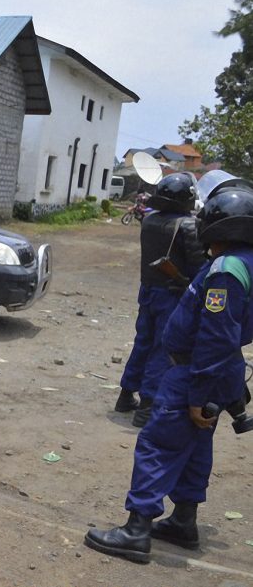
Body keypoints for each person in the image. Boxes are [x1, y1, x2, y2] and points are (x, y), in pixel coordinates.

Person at [85, 185, 253, 563]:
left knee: (157, 445)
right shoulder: (244, 261)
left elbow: (216, 335)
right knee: (195, 448)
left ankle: (135, 530)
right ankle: (184, 522)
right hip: (215, 370)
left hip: (194, 370)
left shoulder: (227, 270)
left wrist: (196, 395)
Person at [116, 173, 206, 426]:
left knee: (143, 342)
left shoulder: (150, 220)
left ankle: (126, 394)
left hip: (148, 290)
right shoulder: (188, 226)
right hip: (173, 294)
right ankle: (147, 405)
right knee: (162, 349)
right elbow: (199, 266)